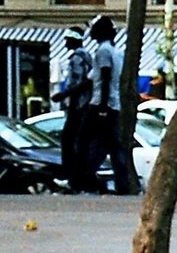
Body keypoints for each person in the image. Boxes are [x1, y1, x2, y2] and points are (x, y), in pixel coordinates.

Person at [84, 15, 131, 195]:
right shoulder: (116, 52)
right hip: (113, 104)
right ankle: (121, 183)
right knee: (111, 145)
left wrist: (102, 106)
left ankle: (84, 179)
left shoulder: (103, 52)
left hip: (101, 104)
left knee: (87, 141)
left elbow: (105, 76)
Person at [49, 26, 92, 193]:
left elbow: (80, 83)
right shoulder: (87, 56)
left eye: (67, 39)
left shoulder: (77, 58)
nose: (65, 42)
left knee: (68, 140)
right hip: (82, 105)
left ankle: (70, 176)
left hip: (78, 106)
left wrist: (65, 96)